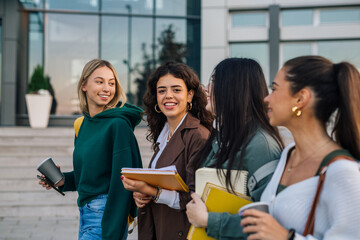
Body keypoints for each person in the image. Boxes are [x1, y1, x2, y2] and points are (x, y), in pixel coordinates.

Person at [240, 55, 360, 239]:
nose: (266, 98)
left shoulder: (343, 172)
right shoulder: (289, 154)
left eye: (274, 89)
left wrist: (286, 237)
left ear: (300, 98)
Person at [39, 59, 143, 240]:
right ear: (84, 85)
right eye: (99, 81)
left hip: (105, 216)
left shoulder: (118, 125)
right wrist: (62, 181)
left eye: (111, 83)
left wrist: (114, 228)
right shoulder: (82, 124)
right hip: (86, 214)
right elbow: (87, 174)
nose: (106, 88)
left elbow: (124, 182)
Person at [186, 58, 284, 239]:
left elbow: (271, 223)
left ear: (233, 88)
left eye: (214, 81)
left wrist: (208, 220)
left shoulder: (261, 146)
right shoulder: (222, 137)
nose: (206, 88)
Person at [121, 61, 213, 240]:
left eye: (176, 90)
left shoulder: (198, 136)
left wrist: (152, 192)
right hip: (159, 227)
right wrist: (142, 194)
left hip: (182, 231)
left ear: (190, 95)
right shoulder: (164, 134)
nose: (168, 96)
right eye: (162, 91)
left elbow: (196, 198)